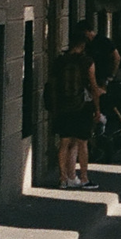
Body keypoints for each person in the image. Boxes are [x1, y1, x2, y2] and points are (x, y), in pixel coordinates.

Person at [45, 23, 101, 188]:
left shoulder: (59, 62)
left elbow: (53, 85)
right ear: (83, 45)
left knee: (64, 143)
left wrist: (54, 107)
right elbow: (93, 87)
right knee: (82, 143)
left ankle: (63, 178)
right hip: (82, 107)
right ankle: (83, 177)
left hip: (63, 107)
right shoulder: (87, 62)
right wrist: (97, 109)